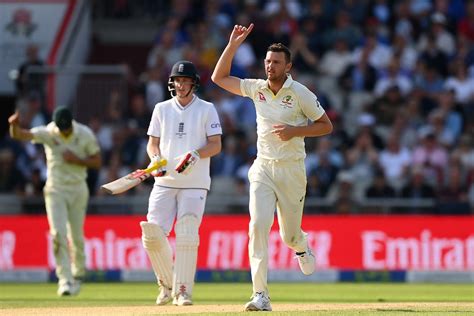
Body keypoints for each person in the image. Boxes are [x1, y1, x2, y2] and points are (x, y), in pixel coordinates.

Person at [211, 24, 333, 311]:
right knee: (257, 226)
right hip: (263, 167)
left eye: (276, 62)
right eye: (267, 61)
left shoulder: (300, 93)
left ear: (287, 66)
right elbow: (219, 78)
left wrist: (295, 131)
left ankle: (300, 245)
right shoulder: (256, 88)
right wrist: (232, 45)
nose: (270, 66)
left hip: (291, 170)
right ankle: (260, 295)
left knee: (288, 235)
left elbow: (326, 126)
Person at [141, 60, 222, 306]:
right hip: (164, 181)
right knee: (152, 234)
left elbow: (216, 144)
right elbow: (152, 143)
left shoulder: (207, 109)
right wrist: (155, 158)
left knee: (186, 233)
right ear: (172, 83)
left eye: (186, 81)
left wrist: (197, 154)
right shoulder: (161, 109)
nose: (181, 85)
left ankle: (183, 290)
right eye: (178, 80)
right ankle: (166, 285)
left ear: (193, 83)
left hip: (194, 182)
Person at [8, 106, 101, 296]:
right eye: (61, 129)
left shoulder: (84, 133)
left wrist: (77, 159)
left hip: (77, 188)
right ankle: (65, 279)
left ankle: (78, 273)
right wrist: (13, 126)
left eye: (67, 130)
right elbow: (20, 135)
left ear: (72, 125)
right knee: (58, 234)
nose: (64, 132)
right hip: (55, 189)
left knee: (75, 235)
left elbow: (97, 161)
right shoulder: (49, 132)